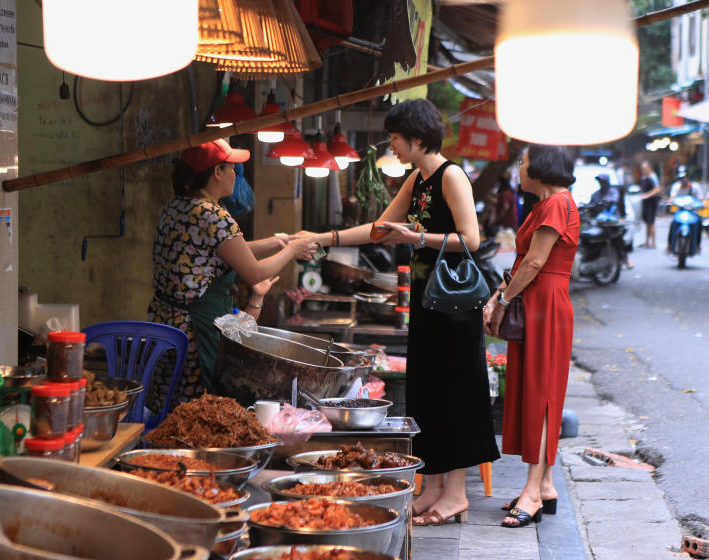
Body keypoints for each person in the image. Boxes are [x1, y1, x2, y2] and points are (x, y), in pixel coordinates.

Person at [308, 99, 499, 526]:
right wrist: (325, 237)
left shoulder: (451, 176)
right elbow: (380, 229)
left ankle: (455, 494)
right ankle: (431, 486)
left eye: (395, 138)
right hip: (427, 304)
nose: (391, 145)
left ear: (416, 138)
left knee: (454, 394)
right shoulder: (418, 179)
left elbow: (473, 238)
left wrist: (418, 238)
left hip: (453, 307)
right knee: (427, 393)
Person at [148, 139, 317, 405]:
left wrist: (276, 242)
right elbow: (255, 273)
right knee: (195, 410)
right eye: (231, 168)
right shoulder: (214, 216)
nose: (235, 174)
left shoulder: (177, 206)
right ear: (217, 172)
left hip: (164, 324)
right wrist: (292, 251)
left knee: (167, 404)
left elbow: (223, 249)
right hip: (193, 332)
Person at [483, 145, 580, 529]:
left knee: (540, 396)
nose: (520, 170)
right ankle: (545, 486)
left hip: (547, 305)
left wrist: (504, 300)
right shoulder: (545, 205)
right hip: (536, 303)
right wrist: (498, 296)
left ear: (540, 168)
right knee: (536, 392)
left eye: (522, 164)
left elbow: (537, 262)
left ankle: (532, 493)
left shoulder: (556, 203)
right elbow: (524, 262)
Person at [638, 161, 661, 248]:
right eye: (642, 169)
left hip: (651, 203)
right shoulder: (644, 177)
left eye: (644, 168)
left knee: (651, 223)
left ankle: (653, 242)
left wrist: (647, 195)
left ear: (649, 168)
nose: (643, 170)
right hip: (646, 203)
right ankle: (647, 241)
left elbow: (657, 189)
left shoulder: (653, 177)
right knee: (647, 223)